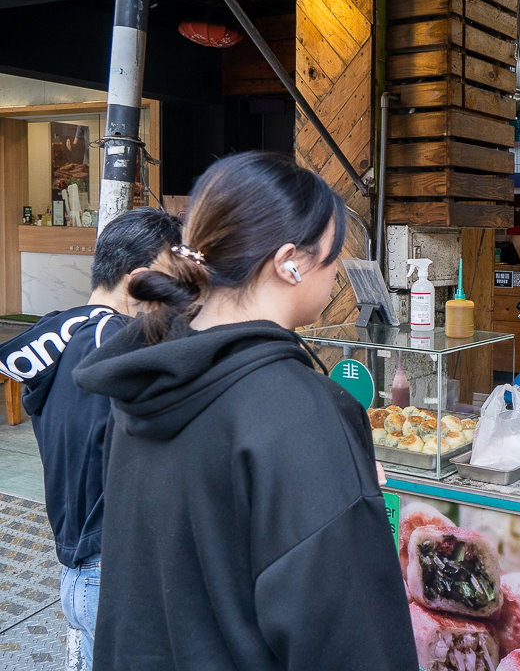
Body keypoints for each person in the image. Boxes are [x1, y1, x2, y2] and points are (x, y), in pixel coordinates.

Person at [73, 152, 419, 670]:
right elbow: (349, 633)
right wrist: (339, 487)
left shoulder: (148, 375)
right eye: (332, 259)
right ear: (290, 262)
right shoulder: (302, 411)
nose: (336, 279)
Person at [0, 207, 181, 671]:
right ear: (139, 280)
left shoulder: (67, 331)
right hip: (113, 569)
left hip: (80, 563)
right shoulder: (113, 344)